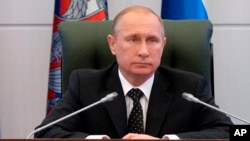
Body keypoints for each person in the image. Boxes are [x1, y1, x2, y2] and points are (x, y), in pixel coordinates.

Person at [35, 5, 233, 139]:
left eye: (152, 40)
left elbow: (235, 133)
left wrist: (168, 140)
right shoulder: (85, 85)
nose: (144, 51)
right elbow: (44, 133)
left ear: (163, 46)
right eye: (133, 39)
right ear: (112, 44)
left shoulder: (191, 88)